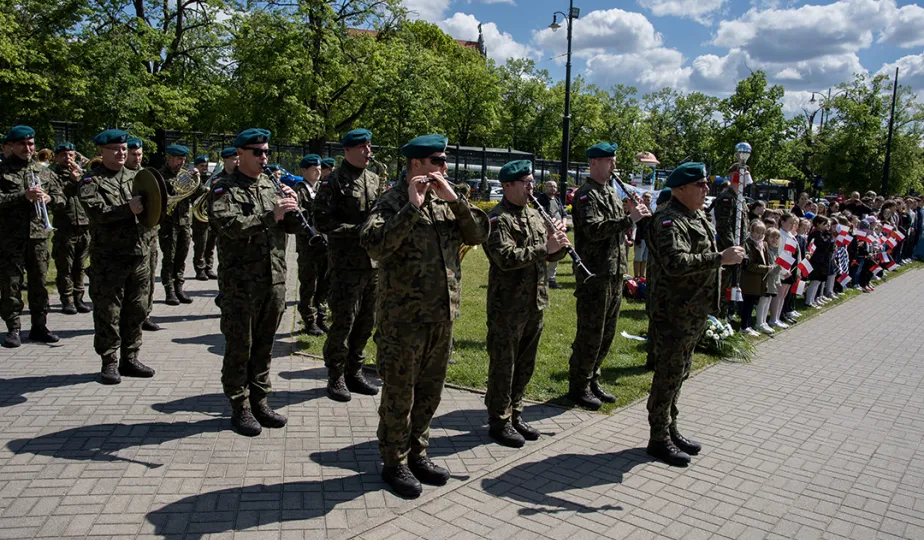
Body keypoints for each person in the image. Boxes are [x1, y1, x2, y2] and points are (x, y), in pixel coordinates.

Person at [360, 134, 489, 498]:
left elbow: (478, 235)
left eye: (444, 161)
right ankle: (394, 462)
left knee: (430, 392)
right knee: (400, 395)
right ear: (416, 164)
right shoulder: (392, 200)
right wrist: (411, 209)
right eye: (438, 161)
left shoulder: (447, 199)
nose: (444, 168)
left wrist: (456, 201)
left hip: (441, 316)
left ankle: (418, 453)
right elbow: (373, 245)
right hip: (403, 320)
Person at [646, 162, 745, 466]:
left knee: (681, 372)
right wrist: (720, 258)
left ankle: (671, 427)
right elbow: (675, 262)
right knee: (668, 373)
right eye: (700, 185)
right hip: (673, 311)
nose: (706, 189)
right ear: (680, 189)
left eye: (706, 184)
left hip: (694, 309)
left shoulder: (697, 216)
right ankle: (658, 437)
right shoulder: (668, 220)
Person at [209, 128, 302, 436]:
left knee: (264, 346)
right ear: (241, 154)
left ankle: (261, 401)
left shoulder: (270, 184)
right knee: (240, 346)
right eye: (258, 152)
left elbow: (286, 227)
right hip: (241, 284)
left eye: (266, 152)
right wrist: (270, 215)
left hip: (274, 279)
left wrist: (292, 208)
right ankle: (240, 406)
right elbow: (230, 225)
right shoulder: (224, 188)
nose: (264, 157)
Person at [483, 160, 569, 448]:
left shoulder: (534, 215)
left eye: (532, 181)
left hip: (535, 301)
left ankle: (516, 412)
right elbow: (505, 259)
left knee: (525, 364)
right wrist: (547, 247)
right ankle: (499, 419)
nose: (532, 187)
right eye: (526, 182)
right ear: (508, 185)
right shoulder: (497, 219)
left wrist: (559, 246)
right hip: (507, 306)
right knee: (504, 365)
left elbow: (547, 257)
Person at [567, 142, 650, 410]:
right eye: (609, 161)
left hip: (614, 272)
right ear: (594, 163)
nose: (614, 165)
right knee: (590, 332)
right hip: (595, 274)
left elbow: (612, 230)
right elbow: (592, 230)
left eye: (614, 161)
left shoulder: (611, 193)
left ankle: (593, 379)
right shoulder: (585, 195)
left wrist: (628, 219)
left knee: (607, 332)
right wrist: (629, 220)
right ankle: (578, 385)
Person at [78, 129, 155, 384]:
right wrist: (127, 209)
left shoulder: (138, 177)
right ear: (101, 151)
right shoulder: (92, 181)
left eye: (123, 148)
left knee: (137, 309)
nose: (121, 153)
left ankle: (130, 358)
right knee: (108, 311)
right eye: (114, 149)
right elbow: (98, 214)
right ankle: (109, 361)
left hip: (139, 255)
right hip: (109, 258)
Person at [314, 129, 381, 402]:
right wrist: (358, 231)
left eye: (369, 146)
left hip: (373, 265)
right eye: (363, 147)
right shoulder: (334, 183)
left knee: (366, 321)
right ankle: (336, 376)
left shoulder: (375, 179)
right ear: (347, 151)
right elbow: (322, 222)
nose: (368, 152)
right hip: (345, 266)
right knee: (343, 323)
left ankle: (355, 371)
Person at [0, 125, 63, 348]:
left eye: (31, 144)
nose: (28, 148)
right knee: (11, 283)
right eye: (22, 144)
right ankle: (13, 328)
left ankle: (39, 326)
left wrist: (49, 199)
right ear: (10, 147)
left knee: (39, 283)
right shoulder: (3, 170)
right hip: (10, 237)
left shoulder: (43, 171)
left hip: (38, 236)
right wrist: (22, 196)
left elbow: (61, 197)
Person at [47, 142, 92, 315]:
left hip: (84, 226)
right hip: (65, 227)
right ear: (57, 157)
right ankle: (67, 300)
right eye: (64, 155)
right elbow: (58, 201)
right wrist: (73, 182)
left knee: (80, 267)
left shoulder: (82, 174)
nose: (68, 158)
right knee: (65, 267)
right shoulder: (53, 176)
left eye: (71, 155)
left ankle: (79, 298)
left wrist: (83, 179)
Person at [124, 138, 161, 332]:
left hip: (149, 235)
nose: (137, 158)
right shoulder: (121, 176)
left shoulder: (145, 175)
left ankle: (145, 314)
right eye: (133, 154)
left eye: (139, 154)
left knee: (149, 277)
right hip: (128, 239)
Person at [296, 154, 330, 336]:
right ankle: (309, 320)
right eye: (313, 168)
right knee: (309, 283)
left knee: (324, 282)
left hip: (324, 243)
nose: (318, 171)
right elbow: (297, 217)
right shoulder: (300, 190)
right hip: (308, 245)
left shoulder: (321, 189)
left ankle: (321, 318)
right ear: (304, 170)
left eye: (319, 168)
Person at [158, 144, 196, 306]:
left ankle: (179, 287)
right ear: (170, 158)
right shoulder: (160, 175)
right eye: (179, 159)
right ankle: (169, 291)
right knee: (169, 258)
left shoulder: (185, 175)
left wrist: (197, 182)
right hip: (168, 223)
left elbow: (195, 196)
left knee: (181, 257)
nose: (182, 162)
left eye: (184, 159)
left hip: (184, 222)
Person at [712, 171, 748, 319]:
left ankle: (727, 314)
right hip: (728, 250)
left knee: (733, 285)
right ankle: (718, 317)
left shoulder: (740, 199)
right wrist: (733, 248)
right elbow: (724, 227)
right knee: (723, 285)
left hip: (738, 249)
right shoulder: (726, 198)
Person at [739, 220, 771, 337]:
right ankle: (744, 326)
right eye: (758, 232)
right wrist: (766, 268)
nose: (760, 235)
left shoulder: (764, 244)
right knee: (747, 303)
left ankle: (748, 325)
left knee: (752, 302)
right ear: (751, 231)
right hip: (750, 280)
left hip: (760, 279)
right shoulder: (748, 244)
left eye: (763, 233)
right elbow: (749, 265)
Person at [534, 180, 568, 289]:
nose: (552, 188)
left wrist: (563, 225)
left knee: (556, 255)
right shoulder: (541, 199)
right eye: (549, 186)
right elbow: (541, 214)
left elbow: (564, 214)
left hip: (559, 230)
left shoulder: (557, 200)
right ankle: (540, 277)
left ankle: (551, 278)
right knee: (545, 254)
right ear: (545, 188)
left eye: (554, 186)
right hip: (547, 231)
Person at [191, 155, 217, 281]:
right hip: (198, 216)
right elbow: (195, 192)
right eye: (202, 166)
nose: (205, 168)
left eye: (206, 166)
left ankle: (209, 267)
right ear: (196, 166)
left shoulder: (211, 178)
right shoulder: (193, 178)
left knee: (211, 243)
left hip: (210, 215)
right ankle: (199, 269)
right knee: (201, 244)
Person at [633, 191, 654, 279]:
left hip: (648, 239)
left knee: (645, 259)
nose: (646, 200)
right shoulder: (639, 210)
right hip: (640, 238)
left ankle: (642, 275)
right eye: (644, 199)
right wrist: (637, 240)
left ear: (651, 201)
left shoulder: (651, 211)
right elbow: (637, 225)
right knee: (638, 258)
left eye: (648, 199)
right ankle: (636, 276)